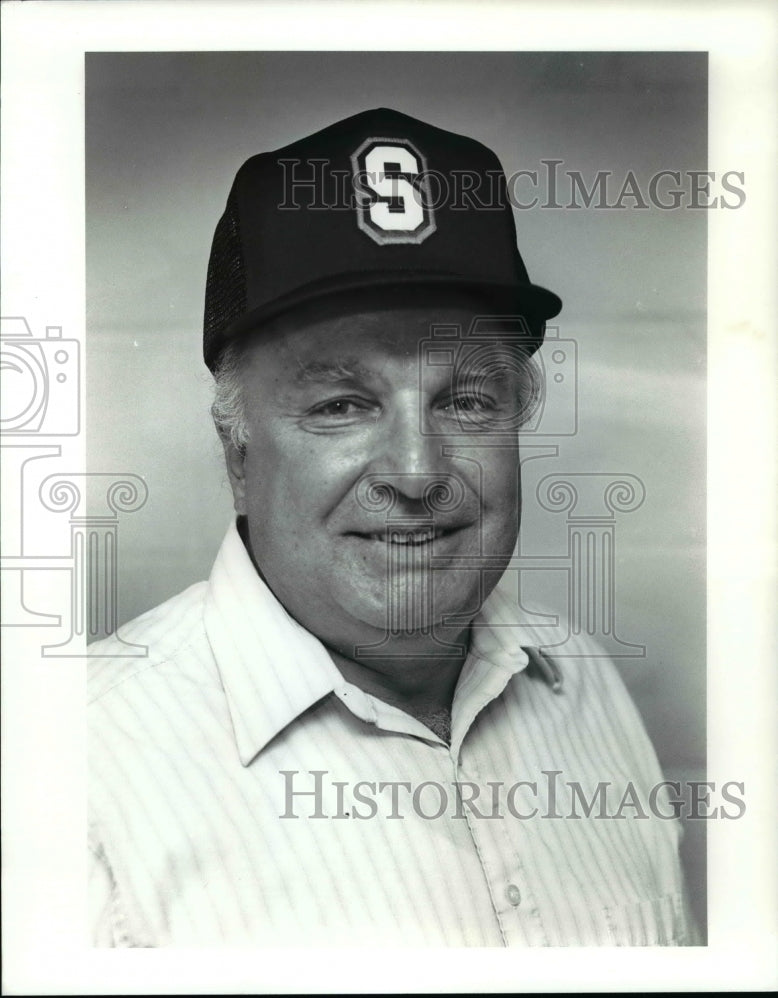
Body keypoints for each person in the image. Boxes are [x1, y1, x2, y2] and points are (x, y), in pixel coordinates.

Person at [88, 107, 696, 947]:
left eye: (468, 400)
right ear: (238, 448)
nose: (417, 473)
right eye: (342, 405)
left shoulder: (579, 676)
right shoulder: (69, 760)